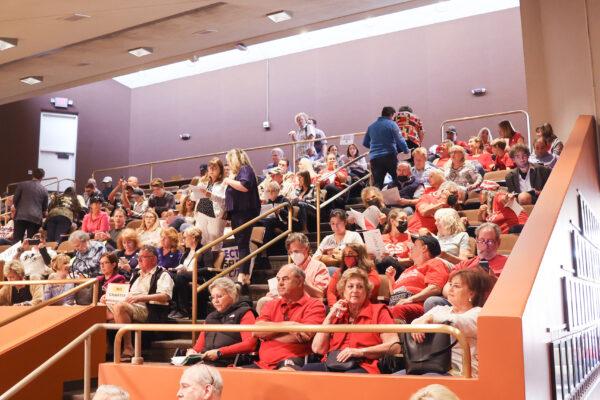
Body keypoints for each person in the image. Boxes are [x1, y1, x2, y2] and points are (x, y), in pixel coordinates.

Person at [303, 268, 400, 374]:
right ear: (343, 291)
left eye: (360, 287)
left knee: (349, 379)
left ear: (366, 292)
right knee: (307, 370)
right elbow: (318, 349)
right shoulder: (337, 314)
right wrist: (329, 317)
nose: (355, 290)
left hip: (364, 365)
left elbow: (394, 346)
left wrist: (360, 352)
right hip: (333, 364)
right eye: (350, 286)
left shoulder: (379, 311)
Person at [409, 270, 493, 377]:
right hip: (427, 365)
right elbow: (416, 322)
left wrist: (430, 318)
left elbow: (458, 322)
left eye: (457, 286)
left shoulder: (478, 313)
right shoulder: (439, 309)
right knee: (397, 379)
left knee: (428, 379)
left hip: (460, 370)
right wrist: (417, 325)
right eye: (450, 285)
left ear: (472, 293)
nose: (451, 289)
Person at [103, 245, 174, 359]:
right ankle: (106, 345)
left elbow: (165, 296)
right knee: (99, 307)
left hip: (148, 309)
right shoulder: (136, 274)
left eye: (143, 257)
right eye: (138, 257)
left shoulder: (163, 274)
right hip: (131, 305)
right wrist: (108, 297)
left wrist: (141, 298)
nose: (139, 260)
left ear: (154, 259)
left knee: (120, 307)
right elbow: (127, 294)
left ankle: (128, 347)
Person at [250, 265, 326, 370]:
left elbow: (304, 336)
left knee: (284, 374)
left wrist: (268, 335)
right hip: (262, 363)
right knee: (231, 377)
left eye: (285, 279)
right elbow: (256, 331)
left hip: (293, 361)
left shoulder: (315, 305)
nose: (280, 283)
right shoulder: (271, 304)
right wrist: (289, 325)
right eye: (278, 279)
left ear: (299, 282)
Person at [186, 277, 258, 366]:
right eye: (212, 297)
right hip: (206, 363)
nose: (215, 301)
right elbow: (198, 347)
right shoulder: (210, 317)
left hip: (230, 364)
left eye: (219, 296)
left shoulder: (245, 313)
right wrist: (192, 352)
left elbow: (250, 344)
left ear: (232, 295)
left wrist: (220, 352)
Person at [385, 235, 449, 322]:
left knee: (395, 310)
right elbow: (394, 294)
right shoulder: (407, 270)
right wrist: (391, 279)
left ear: (424, 248)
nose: (411, 248)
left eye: (414, 245)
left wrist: (410, 299)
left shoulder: (435, 263)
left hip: (418, 305)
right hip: (398, 305)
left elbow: (435, 288)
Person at [224, 148, 261, 286]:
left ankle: (242, 275)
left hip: (245, 211)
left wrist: (228, 180)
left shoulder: (245, 169)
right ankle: (244, 275)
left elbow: (244, 186)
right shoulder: (238, 173)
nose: (227, 164)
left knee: (243, 244)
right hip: (237, 212)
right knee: (242, 244)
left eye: (229, 161)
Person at [363, 106, 409, 189]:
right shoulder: (392, 124)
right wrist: (406, 150)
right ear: (391, 115)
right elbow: (400, 139)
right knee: (397, 180)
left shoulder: (371, 127)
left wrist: (374, 148)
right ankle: (398, 199)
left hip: (375, 158)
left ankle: (375, 201)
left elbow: (365, 143)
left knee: (377, 185)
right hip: (389, 156)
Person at [192, 157, 227, 263]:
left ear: (220, 170)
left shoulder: (224, 183)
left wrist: (210, 195)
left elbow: (224, 201)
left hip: (215, 215)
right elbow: (193, 198)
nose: (211, 169)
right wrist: (195, 191)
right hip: (201, 212)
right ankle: (199, 266)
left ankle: (212, 267)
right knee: (200, 239)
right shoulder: (203, 181)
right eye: (210, 167)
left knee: (214, 241)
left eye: (214, 167)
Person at [13, 168, 48, 242]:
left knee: (17, 240)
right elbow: (44, 208)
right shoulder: (44, 190)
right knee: (31, 242)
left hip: (21, 216)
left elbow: (15, 200)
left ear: (33, 175)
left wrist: (19, 209)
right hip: (35, 219)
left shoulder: (22, 184)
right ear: (42, 177)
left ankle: (16, 253)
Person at [376, 208, 413, 275]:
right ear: (392, 221)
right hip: (383, 271)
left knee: (387, 259)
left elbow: (411, 260)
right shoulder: (382, 237)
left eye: (406, 219)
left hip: (401, 271)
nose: (405, 221)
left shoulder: (408, 237)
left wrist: (394, 260)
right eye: (402, 219)